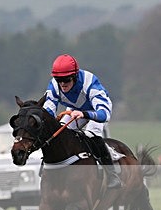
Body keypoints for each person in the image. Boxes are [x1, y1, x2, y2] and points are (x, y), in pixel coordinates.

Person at [42, 54, 121, 188]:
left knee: (92, 134)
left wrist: (84, 114)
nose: (62, 84)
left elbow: (104, 114)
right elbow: (48, 111)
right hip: (74, 109)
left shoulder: (89, 83)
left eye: (66, 80)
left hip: (95, 110)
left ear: (74, 76)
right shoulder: (54, 86)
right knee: (60, 134)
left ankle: (112, 174)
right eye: (58, 79)